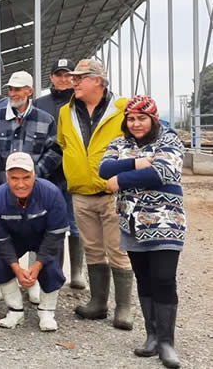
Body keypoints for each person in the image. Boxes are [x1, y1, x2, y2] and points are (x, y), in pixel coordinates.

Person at [99, 96, 185, 368]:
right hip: (132, 223)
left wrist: (120, 180)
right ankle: (151, 337)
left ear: (153, 119)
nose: (135, 123)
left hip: (165, 221)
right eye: (131, 119)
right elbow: (104, 168)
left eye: (141, 118)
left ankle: (167, 343)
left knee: (164, 278)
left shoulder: (169, 140)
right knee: (144, 279)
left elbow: (165, 171)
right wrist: (138, 163)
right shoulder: (118, 143)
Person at [56, 59, 133, 330]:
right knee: (93, 249)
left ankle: (123, 308)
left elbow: (141, 138)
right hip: (81, 193)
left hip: (113, 193)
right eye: (73, 77)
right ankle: (98, 303)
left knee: (118, 249)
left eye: (81, 77)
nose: (73, 81)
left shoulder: (122, 108)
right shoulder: (66, 112)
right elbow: (64, 143)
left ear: (98, 81)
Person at [0, 70, 61, 305]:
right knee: (2, 234)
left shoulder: (45, 119)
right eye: (11, 89)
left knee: (36, 232)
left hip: (34, 188)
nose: (14, 93)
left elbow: (55, 151)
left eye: (19, 89)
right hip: (0, 186)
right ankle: (5, 280)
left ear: (30, 91)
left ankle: (34, 281)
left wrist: (33, 177)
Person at [0, 153, 69, 332]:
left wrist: (38, 264)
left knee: (51, 267)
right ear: (6, 178)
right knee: (1, 264)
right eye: (14, 178)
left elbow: (55, 234)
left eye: (26, 177)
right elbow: (1, 240)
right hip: (14, 239)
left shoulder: (51, 193)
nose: (20, 184)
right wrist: (17, 268)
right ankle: (15, 310)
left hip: (43, 237)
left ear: (34, 175)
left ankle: (47, 311)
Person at [33, 58, 86, 290]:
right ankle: (55, 272)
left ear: (74, 78)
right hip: (46, 174)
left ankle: (76, 272)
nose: (63, 79)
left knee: (75, 224)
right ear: (51, 78)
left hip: (73, 173)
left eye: (67, 75)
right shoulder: (39, 103)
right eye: (59, 74)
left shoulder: (82, 103)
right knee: (50, 225)